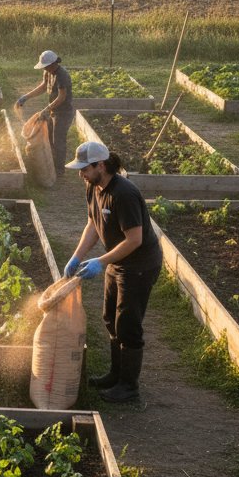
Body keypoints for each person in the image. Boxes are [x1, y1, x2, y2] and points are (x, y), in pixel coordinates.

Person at [62, 140, 163, 403]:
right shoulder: (93, 186)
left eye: (85, 168)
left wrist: (101, 261)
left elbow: (134, 240)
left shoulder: (124, 194)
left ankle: (129, 387)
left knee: (128, 324)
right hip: (118, 263)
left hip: (139, 265)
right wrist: (77, 256)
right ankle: (115, 375)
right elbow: (93, 224)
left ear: (101, 165)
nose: (80, 173)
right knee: (110, 317)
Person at [15, 49, 74, 176]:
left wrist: (46, 109)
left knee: (58, 140)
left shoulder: (62, 75)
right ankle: (52, 164)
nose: (45, 69)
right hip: (54, 110)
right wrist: (26, 97)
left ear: (53, 64)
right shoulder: (48, 72)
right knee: (50, 139)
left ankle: (59, 170)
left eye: (46, 67)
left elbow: (62, 97)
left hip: (63, 112)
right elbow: (43, 86)